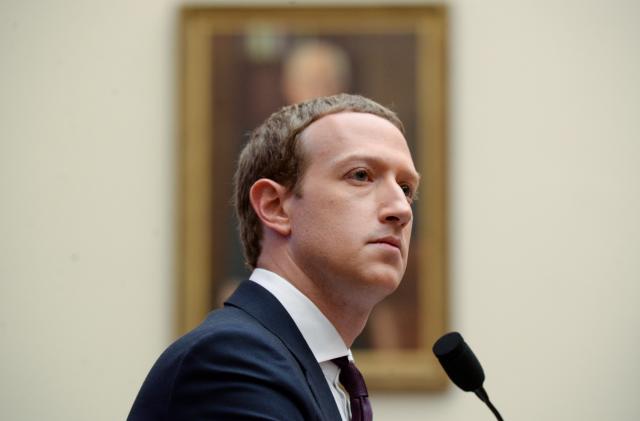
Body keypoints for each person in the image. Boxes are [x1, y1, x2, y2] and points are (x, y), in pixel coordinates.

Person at [128, 93, 420, 420]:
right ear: (275, 207)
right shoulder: (231, 360)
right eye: (361, 175)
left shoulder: (320, 371)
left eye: (407, 189)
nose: (401, 210)